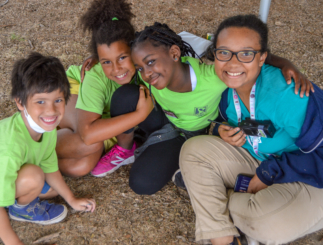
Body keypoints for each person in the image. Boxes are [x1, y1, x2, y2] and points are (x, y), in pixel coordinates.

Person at [115, 21, 312, 195]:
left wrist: (284, 63)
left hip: (196, 135)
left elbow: (246, 60)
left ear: (174, 54)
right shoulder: (150, 78)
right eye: (140, 67)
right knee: (125, 95)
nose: (146, 72)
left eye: (150, 62)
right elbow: (119, 65)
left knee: (141, 184)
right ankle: (128, 147)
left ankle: (181, 162)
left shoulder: (214, 79)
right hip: (164, 122)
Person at [179, 14, 323, 245]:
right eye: (224, 52)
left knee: (268, 227)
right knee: (193, 149)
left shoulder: (288, 94)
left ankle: (218, 202)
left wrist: (270, 173)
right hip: (259, 160)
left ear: (262, 57)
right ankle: (223, 238)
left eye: (246, 54)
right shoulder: (225, 89)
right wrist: (221, 130)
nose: (233, 64)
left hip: (309, 176)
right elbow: (233, 123)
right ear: (214, 55)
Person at [0, 52, 96, 245]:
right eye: (40, 101)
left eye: (58, 100)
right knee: (34, 177)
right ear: (20, 102)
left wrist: (71, 199)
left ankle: (12, 206)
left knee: (51, 190)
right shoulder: (7, 148)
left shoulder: (44, 128)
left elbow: (50, 167)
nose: (51, 111)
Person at [56, 0, 154, 178]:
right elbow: (88, 134)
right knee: (92, 143)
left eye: (122, 57)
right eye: (106, 61)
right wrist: (139, 115)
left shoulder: (147, 65)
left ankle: (46, 163)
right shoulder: (94, 75)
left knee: (81, 167)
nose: (116, 69)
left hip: (105, 111)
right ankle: (35, 148)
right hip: (73, 88)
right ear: (98, 60)